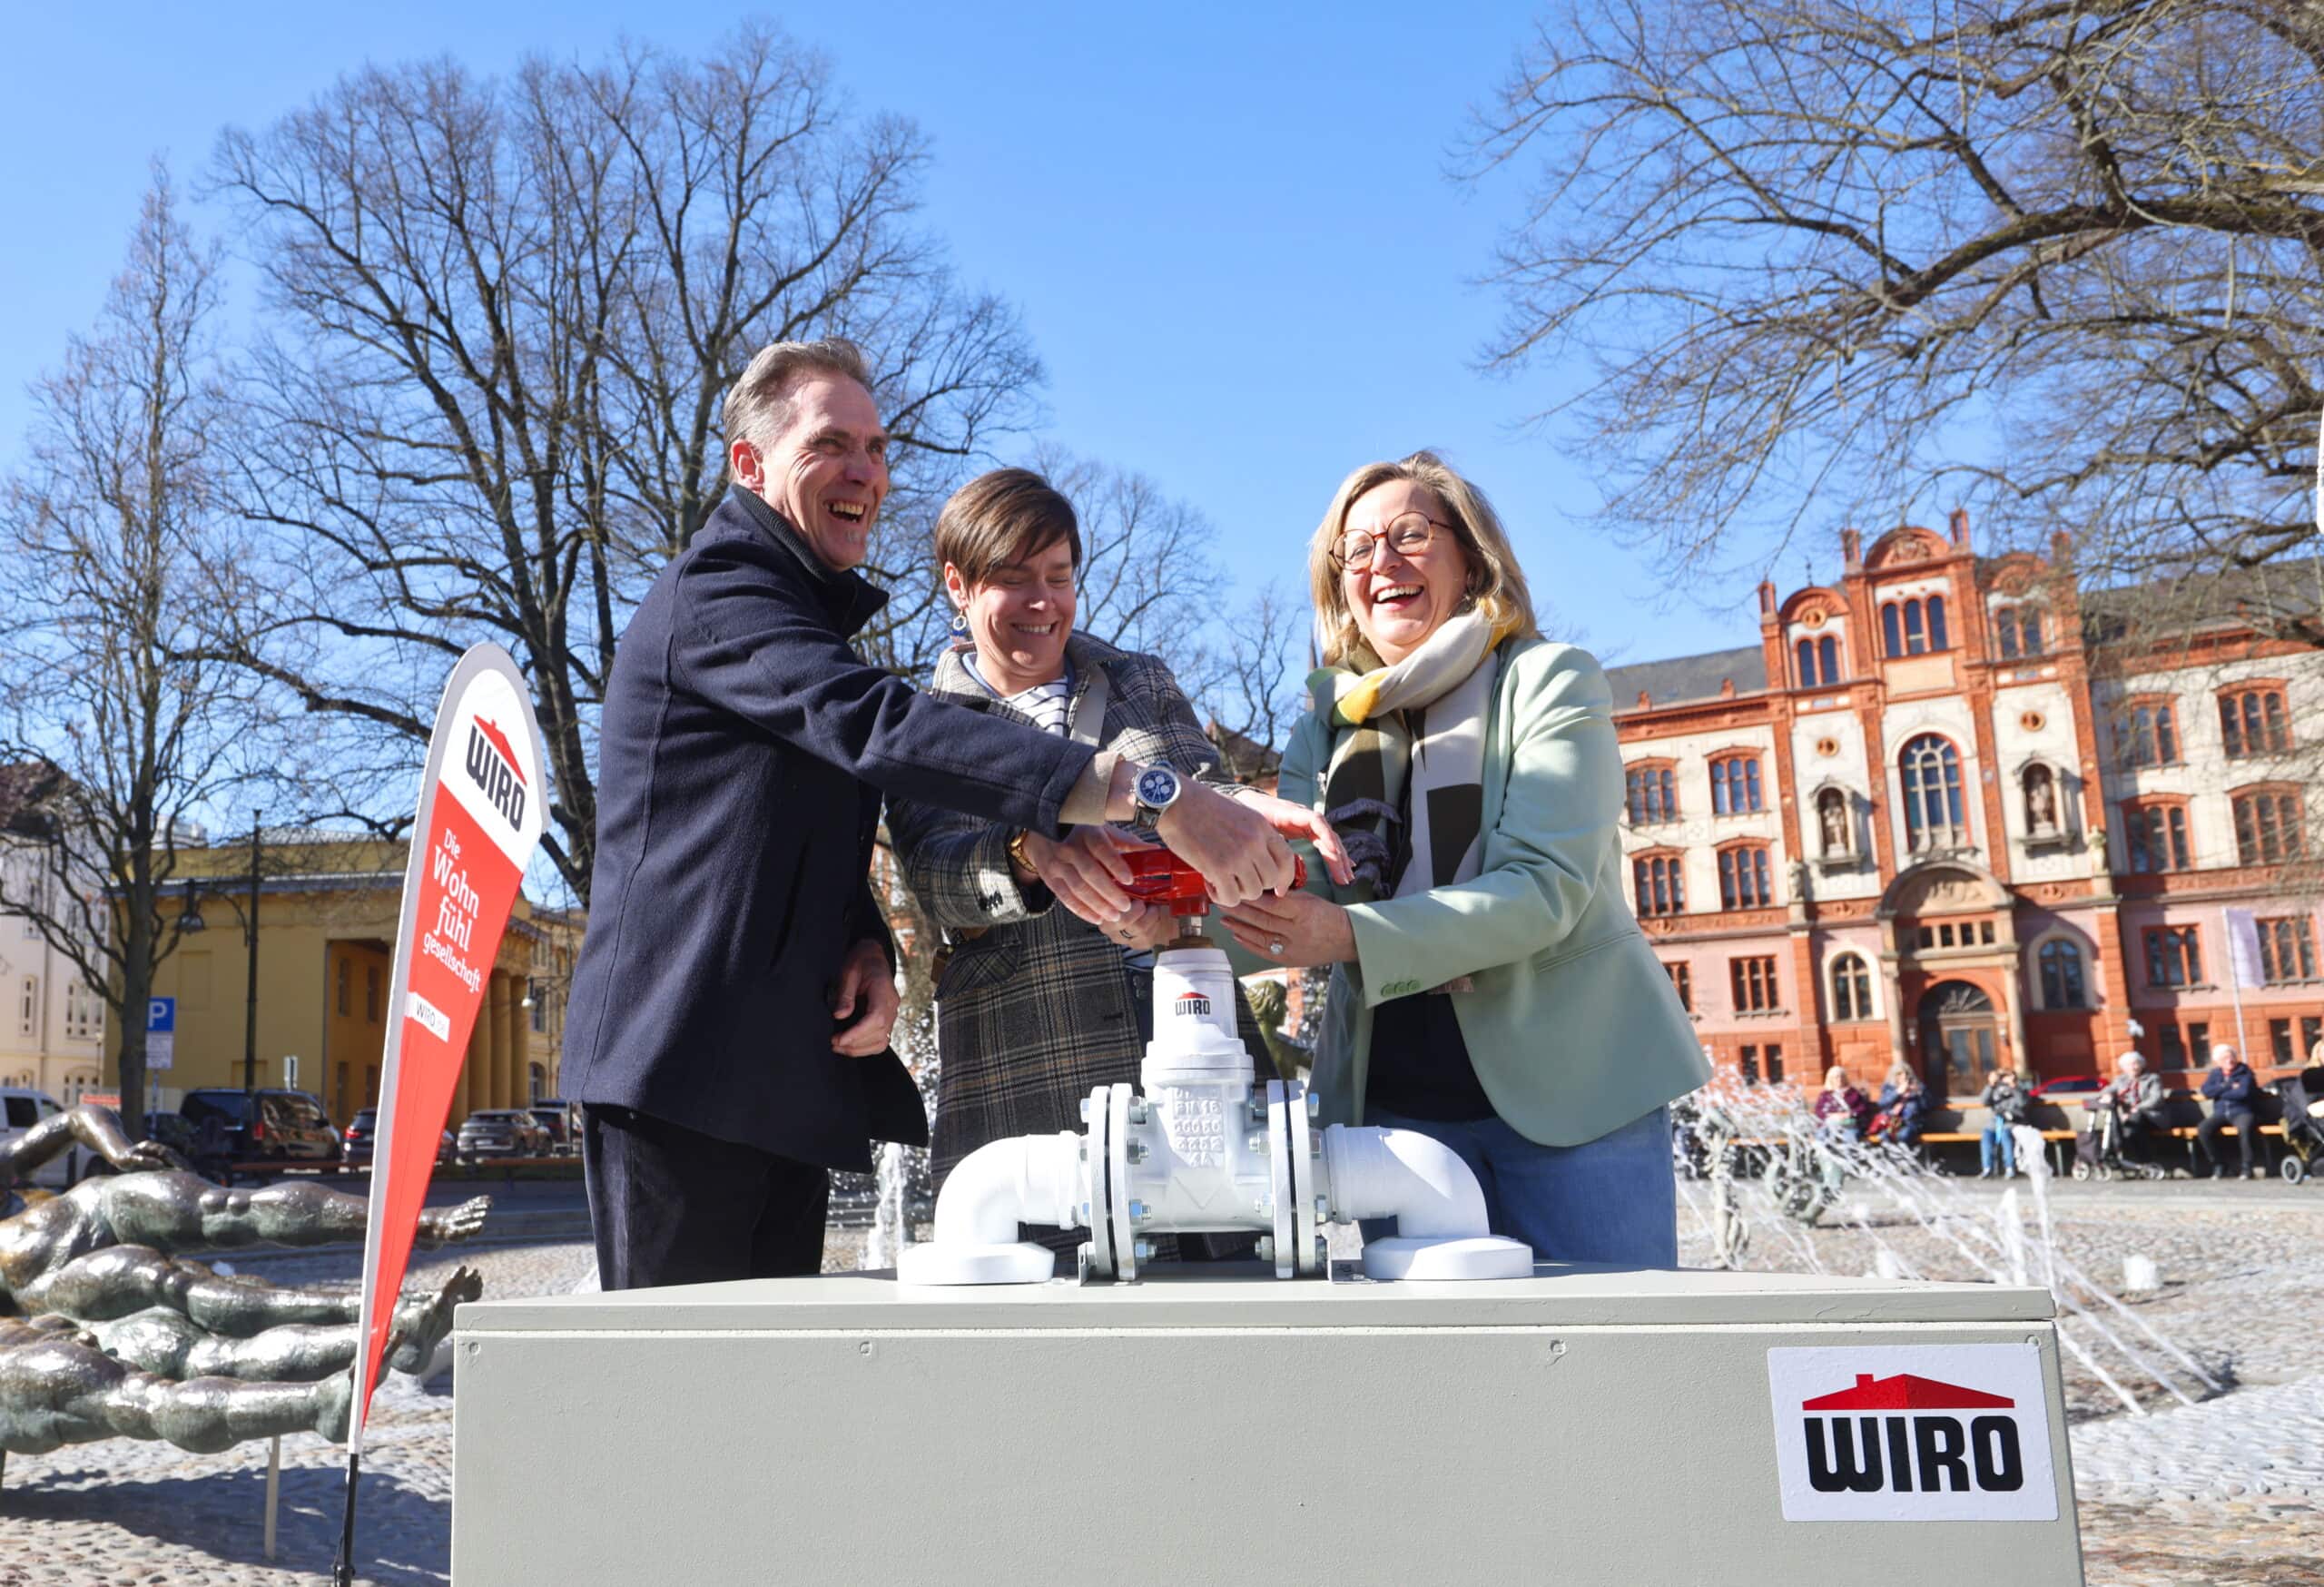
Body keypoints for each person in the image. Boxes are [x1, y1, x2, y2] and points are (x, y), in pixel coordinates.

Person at [562, 339, 1344, 1292]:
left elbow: (808, 824)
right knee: (680, 1410)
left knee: (763, 1413)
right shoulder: (722, 593)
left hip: (779, 1073)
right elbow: (880, 731)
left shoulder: (809, 621)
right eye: (829, 443)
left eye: (877, 446)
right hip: (684, 1069)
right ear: (748, 464)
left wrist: (864, 949)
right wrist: (1148, 795)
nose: (864, 469)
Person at [1215, 451, 1709, 1267]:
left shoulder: (1549, 681)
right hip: (1391, 1116)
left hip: (1574, 1098)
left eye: (1410, 534)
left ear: (1471, 557)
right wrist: (1170, 918)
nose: (1383, 563)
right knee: (1432, 1383)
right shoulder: (1326, 728)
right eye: (1358, 548)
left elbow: (1544, 890)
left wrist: (1345, 938)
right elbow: (1290, 898)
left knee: (1610, 1367)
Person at [888, 470, 1327, 1256]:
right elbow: (933, 879)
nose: (1043, 604)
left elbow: (1205, 801)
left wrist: (1247, 815)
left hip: (1199, 1071)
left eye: (1059, 578)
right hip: (1027, 1083)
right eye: (1014, 580)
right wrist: (1028, 854)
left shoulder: (1138, 682)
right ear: (957, 585)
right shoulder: (925, 724)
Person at [2087, 1049, 2166, 1164]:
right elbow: (2106, 1090)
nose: (2133, 1067)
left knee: (2133, 1122)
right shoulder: (2121, 1080)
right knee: (2120, 1126)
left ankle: (2142, 1162)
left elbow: (2156, 1099)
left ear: (2142, 1065)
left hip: (2152, 1116)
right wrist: (2107, 1095)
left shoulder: (2153, 1079)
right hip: (2131, 1119)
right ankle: (2119, 1160)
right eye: (2129, 1065)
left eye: (2136, 1063)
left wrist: (2136, 1109)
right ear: (2124, 1068)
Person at [2196, 1045, 2260, 1179]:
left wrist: (2219, 1092)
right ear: (2217, 1061)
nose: (2229, 1060)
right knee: (2203, 1129)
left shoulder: (2245, 1072)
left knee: (2245, 1129)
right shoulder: (2215, 1074)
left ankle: (2247, 1167)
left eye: (2232, 1057)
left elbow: (2243, 1092)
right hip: (2220, 1113)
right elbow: (2206, 1091)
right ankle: (2219, 1165)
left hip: (2242, 1111)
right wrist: (2228, 1085)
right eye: (2225, 1058)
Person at [1812, 1066, 1873, 1193]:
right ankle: (1823, 1162)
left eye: (1841, 1076)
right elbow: (1819, 1112)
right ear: (1831, 1079)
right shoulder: (1825, 1095)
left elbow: (1863, 1109)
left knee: (1851, 1139)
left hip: (1848, 1124)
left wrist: (1849, 1114)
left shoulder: (1853, 1093)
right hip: (1831, 1125)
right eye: (1835, 1077)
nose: (1839, 1079)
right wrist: (1832, 1116)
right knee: (1821, 1136)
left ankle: (1849, 1166)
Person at [1979, 1067, 2027, 1178]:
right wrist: (1991, 1084)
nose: (2004, 1079)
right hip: (1995, 1122)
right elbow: (1983, 1101)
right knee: (1986, 1135)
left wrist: (2013, 1086)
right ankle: (1987, 1168)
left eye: (2007, 1076)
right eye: (2002, 1076)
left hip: (2013, 1122)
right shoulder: (1995, 1089)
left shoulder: (2019, 1089)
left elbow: (2022, 1103)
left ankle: (2009, 1167)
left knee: (2006, 1135)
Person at [1873, 1060, 1930, 1152]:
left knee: (1903, 1134)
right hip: (1893, 1122)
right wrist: (1897, 1093)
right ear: (1894, 1075)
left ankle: (1903, 1156)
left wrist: (1919, 1093)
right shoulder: (1889, 1088)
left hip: (1912, 1123)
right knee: (1884, 1135)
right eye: (1899, 1074)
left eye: (1906, 1073)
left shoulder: (1918, 1087)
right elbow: (1882, 1104)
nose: (1904, 1076)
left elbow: (1927, 1106)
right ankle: (1895, 1158)